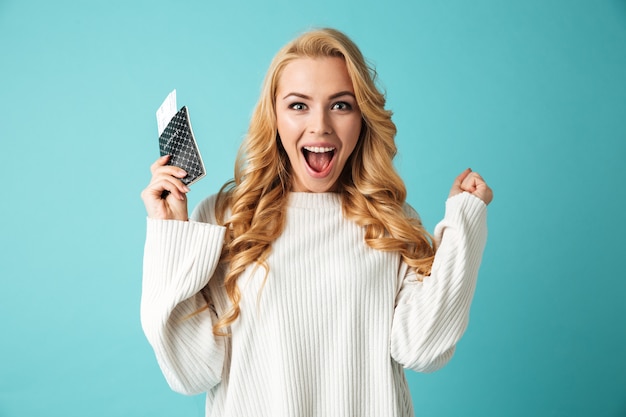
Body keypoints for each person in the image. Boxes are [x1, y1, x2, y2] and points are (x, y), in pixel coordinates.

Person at [140, 27, 493, 417]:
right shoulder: (225, 219)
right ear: (274, 116)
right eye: (298, 105)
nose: (321, 125)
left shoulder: (391, 222)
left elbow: (423, 349)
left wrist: (465, 226)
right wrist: (169, 234)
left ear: (362, 118)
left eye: (341, 105)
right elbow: (190, 373)